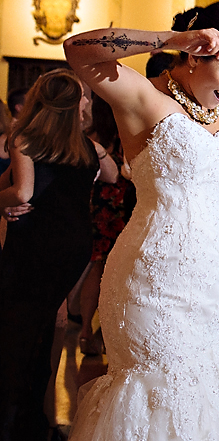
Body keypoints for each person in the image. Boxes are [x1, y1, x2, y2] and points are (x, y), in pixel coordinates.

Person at [64, 1, 219, 440]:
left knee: (212, 395)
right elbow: (77, 49)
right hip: (152, 282)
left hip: (210, 283)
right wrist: (171, 39)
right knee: (159, 397)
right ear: (196, 56)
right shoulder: (144, 97)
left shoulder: (214, 106)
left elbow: (216, 188)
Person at [0, 70, 113, 441]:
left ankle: (15, 423)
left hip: (35, 245)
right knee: (43, 327)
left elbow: (22, 193)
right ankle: (35, 420)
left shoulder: (26, 139)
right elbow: (113, 174)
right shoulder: (87, 148)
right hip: (73, 248)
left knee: (17, 334)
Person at [79, 94, 137, 357]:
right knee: (118, 270)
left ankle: (84, 330)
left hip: (96, 203)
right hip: (121, 203)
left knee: (97, 265)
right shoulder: (124, 132)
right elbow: (130, 169)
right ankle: (107, 334)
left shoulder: (89, 135)